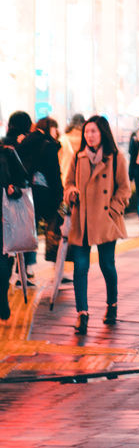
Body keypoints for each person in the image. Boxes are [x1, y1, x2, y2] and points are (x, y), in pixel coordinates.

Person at [63, 114, 130, 335]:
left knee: (107, 265)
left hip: (105, 221)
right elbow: (69, 183)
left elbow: (124, 189)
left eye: (94, 131)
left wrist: (113, 211)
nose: (89, 136)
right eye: (87, 132)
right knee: (80, 268)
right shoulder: (77, 157)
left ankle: (112, 305)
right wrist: (71, 192)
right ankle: (82, 314)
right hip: (82, 221)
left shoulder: (116, 157)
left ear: (102, 132)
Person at [4, 111, 60, 286]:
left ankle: (20, 270)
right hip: (39, 194)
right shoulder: (45, 144)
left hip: (15, 194)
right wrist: (59, 195)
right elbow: (54, 174)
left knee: (18, 232)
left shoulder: (9, 144)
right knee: (36, 231)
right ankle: (34, 268)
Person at [0, 134, 30, 318]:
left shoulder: (7, 154)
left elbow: (23, 180)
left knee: (3, 263)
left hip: (5, 217)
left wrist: (14, 189)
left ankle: (2, 296)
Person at [36, 117, 67, 263]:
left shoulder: (34, 144)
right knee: (56, 230)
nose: (57, 131)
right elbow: (54, 173)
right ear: (49, 128)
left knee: (32, 231)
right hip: (49, 196)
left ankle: (26, 269)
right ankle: (57, 266)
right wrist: (60, 194)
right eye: (55, 128)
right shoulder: (49, 146)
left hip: (34, 194)